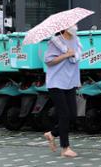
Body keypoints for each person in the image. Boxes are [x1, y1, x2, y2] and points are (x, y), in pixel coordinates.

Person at [42, 24, 81, 158]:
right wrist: (66, 55)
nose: (75, 27)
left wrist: (78, 80)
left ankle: (52, 134)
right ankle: (65, 148)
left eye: (75, 24)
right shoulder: (56, 41)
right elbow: (48, 61)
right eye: (71, 25)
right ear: (64, 28)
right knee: (64, 114)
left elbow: (76, 62)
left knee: (73, 116)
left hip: (70, 82)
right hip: (56, 83)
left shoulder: (76, 40)